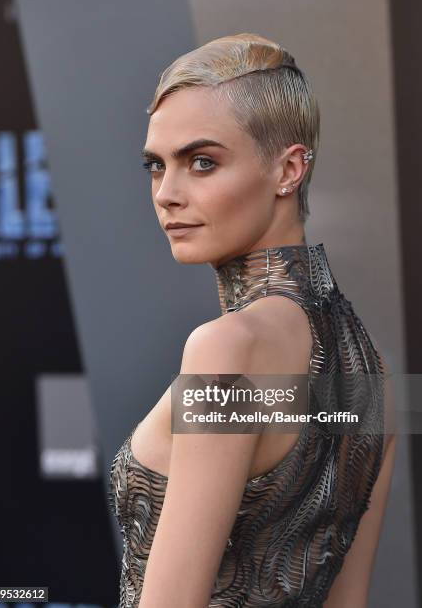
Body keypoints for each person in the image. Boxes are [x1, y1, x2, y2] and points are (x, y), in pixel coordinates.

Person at [108, 33, 396, 608]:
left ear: (289, 168)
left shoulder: (227, 349)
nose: (167, 193)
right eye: (156, 166)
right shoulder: (370, 364)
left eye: (202, 162)